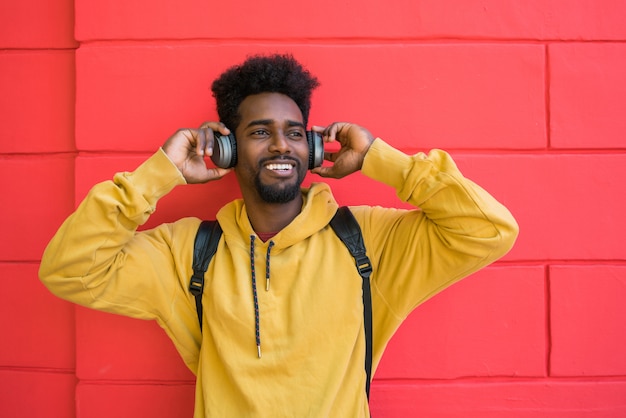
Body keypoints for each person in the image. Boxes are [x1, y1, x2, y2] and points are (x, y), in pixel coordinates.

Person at [39, 53, 519, 417]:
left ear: (312, 147)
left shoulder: (369, 240)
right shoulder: (188, 252)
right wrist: (159, 173)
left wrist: (380, 159)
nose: (280, 145)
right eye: (259, 132)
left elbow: (488, 230)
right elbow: (70, 269)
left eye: (294, 132)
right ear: (225, 149)